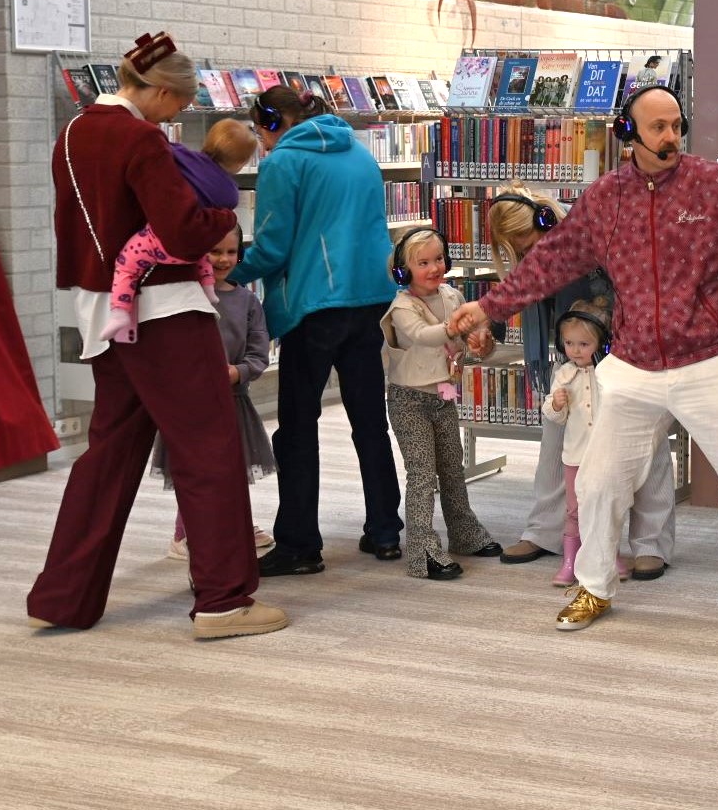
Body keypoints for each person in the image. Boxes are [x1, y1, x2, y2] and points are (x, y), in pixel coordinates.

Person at [449, 85, 718, 630]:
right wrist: (488, 306)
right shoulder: (604, 199)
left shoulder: (715, 185)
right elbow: (549, 261)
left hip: (710, 363)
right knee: (598, 482)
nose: (671, 135)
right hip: (632, 368)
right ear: (628, 132)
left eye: (676, 125)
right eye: (658, 126)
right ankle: (594, 586)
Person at [32, 31, 284, 639]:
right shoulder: (141, 139)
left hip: (101, 309)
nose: (180, 113)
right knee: (210, 449)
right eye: (180, 102)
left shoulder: (72, 134)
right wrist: (224, 215)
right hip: (165, 311)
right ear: (163, 90)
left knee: (109, 452)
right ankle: (225, 600)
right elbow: (182, 230)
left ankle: (64, 596)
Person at [231, 85, 404, 577]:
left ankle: (300, 544)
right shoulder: (360, 154)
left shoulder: (284, 163)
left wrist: (227, 275)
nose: (260, 144)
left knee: (298, 427)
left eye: (259, 131)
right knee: (369, 421)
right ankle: (385, 530)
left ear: (271, 121)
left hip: (313, 305)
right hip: (368, 297)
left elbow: (272, 246)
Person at [482, 186, 677, 581]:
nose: (522, 250)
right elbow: (516, 290)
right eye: (513, 245)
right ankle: (545, 531)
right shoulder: (534, 252)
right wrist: (489, 327)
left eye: (524, 239)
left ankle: (650, 543)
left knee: (645, 444)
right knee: (557, 443)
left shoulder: (590, 234)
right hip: (574, 355)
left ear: (544, 218)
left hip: (627, 351)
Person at [379, 227, 499, 580]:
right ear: (403, 271)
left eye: (439, 259)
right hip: (408, 399)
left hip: (443, 397)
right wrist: (456, 326)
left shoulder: (452, 296)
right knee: (421, 474)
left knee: (452, 467)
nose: (434, 267)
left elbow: (470, 338)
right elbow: (422, 335)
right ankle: (422, 551)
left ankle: (464, 532)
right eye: (423, 262)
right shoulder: (401, 306)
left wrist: (480, 340)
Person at [151, 224, 276, 558]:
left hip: (232, 401)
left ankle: (234, 521)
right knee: (195, 469)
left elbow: (258, 352)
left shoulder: (247, 300)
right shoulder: (184, 295)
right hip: (190, 403)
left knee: (232, 467)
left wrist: (238, 372)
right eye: (214, 251)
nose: (223, 259)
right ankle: (186, 531)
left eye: (231, 252)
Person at [100, 118, 258, 343]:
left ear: (208, 142)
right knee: (205, 252)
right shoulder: (230, 194)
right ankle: (209, 290)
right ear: (241, 162)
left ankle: (119, 312)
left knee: (126, 264)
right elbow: (218, 220)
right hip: (192, 252)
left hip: (159, 240)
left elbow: (161, 147)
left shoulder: (182, 155)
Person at [543, 302, 627, 594]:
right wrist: (555, 404)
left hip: (604, 453)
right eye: (569, 343)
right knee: (575, 510)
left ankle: (609, 556)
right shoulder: (563, 375)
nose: (576, 350)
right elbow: (554, 415)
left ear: (601, 343)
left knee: (606, 505)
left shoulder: (609, 372)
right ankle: (570, 561)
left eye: (584, 343)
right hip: (576, 455)